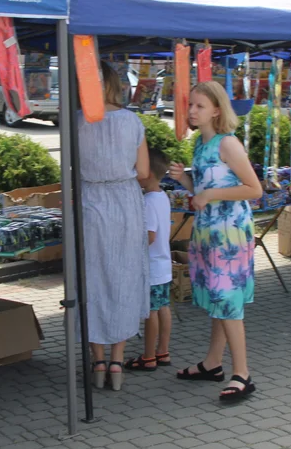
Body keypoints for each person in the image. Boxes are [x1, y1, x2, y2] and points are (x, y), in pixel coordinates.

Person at [171, 82, 263, 402]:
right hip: (210, 231)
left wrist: (210, 194)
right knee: (216, 298)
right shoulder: (201, 144)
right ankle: (213, 364)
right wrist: (183, 179)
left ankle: (243, 374)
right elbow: (204, 186)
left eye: (198, 106)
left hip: (230, 234)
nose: (192, 111)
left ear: (216, 110)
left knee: (226, 300)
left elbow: (254, 189)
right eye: (190, 105)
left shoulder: (228, 144)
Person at [80, 64, 149, 392]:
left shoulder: (77, 120)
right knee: (123, 276)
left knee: (93, 279)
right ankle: (118, 360)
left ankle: (98, 361)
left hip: (91, 201)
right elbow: (146, 171)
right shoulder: (131, 121)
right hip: (124, 201)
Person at [125, 148, 173, 372]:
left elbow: (149, 236)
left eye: (138, 169)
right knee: (163, 307)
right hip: (163, 265)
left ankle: (149, 355)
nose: (135, 173)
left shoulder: (148, 202)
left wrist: (130, 248)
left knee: (150, 312)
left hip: (152, 266)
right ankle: (163, 350)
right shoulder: (162, 196)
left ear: (149, 174)